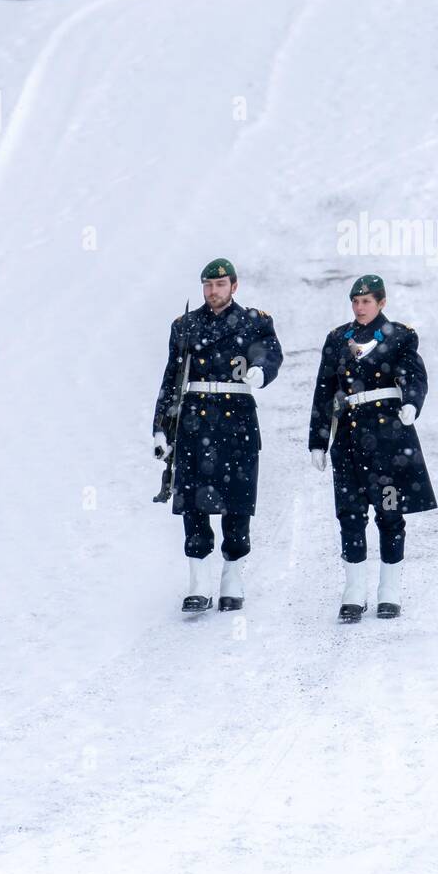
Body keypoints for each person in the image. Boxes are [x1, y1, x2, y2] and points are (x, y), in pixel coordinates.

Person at [153, 257, 283, 613]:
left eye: (220, 285)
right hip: (194, 421)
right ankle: (197, 582)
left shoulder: (254, 321)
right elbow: (172, 379)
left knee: (237, 502)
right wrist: (161, 429)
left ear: (234, 286)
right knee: (193, 505)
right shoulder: (185, 326)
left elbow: (268, 352)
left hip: (236, 419)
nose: (213, 291)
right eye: (208, 285)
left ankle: (232, 576)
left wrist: (260, 370)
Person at [308, 275, 437, 623]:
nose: (360, 307)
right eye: (355, 301)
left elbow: (415, 374)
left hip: (388, 438)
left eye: (366, 301)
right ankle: (353, 591)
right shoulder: (338, 339)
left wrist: (411, 402)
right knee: (349, 515)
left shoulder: (400, 335)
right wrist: (318, 441)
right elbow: (324, 390)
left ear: (381, 302)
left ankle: (389, 591)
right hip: (349, 437)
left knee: (390, 513)